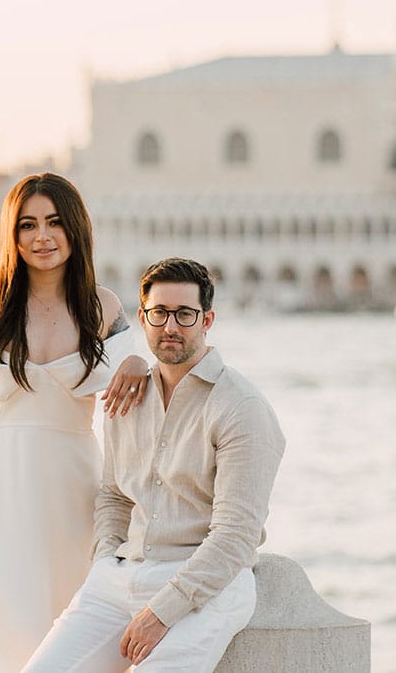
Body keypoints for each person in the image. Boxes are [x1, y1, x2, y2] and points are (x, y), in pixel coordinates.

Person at [0, 172, 151, 672]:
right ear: (13, 235)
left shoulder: (103, 307)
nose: (42, 236)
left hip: (75, 490)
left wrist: (139, 361)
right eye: (27, 225)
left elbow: (139, 391)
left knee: (73, 620)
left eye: (54, 222)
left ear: (75, 228)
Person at [22, 257, 286, 673]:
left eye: (185, 314)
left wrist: (162, 611)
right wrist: (105, 562)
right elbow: (114, 496)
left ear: (207, 320)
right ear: (143, 318)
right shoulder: (128, 397)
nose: (171, 326)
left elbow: (236, 536)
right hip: (120, 576)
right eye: (159, 313)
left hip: (207, 585)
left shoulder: (241, 407)